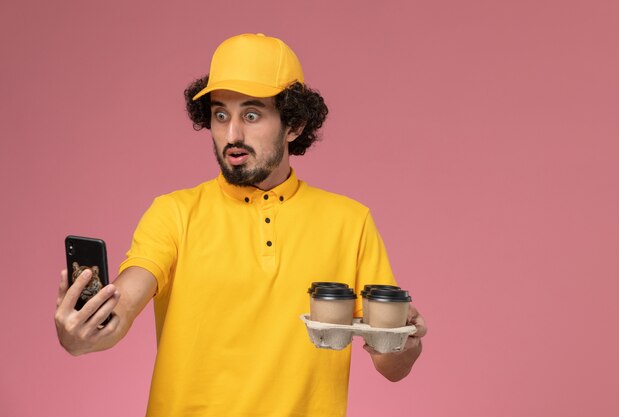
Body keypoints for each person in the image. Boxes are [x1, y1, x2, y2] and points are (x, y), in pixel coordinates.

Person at [55, 33, 427, 417]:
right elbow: (126, 301)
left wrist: (407, 342)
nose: (232, 135)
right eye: (220, 115)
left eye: (251, 115)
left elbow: (391, 364)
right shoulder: (173, 213)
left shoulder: (350, 222)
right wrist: (82, 332)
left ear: (295, 123)